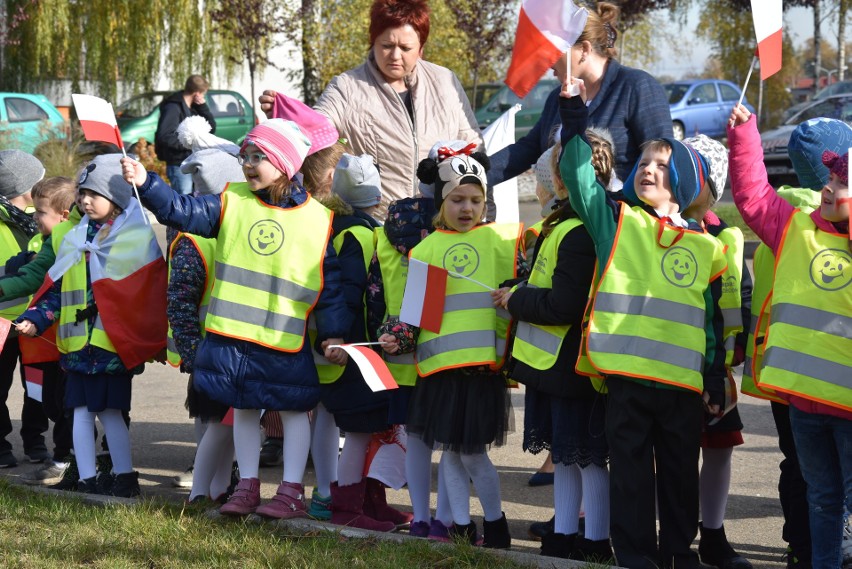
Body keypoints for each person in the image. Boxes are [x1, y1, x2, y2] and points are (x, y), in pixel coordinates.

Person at [121, 117, 349, 518]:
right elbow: (179, 209)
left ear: (285, 162)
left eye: (259, 155)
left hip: (284, 338)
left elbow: (329, 288)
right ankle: (247, 486)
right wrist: (147, 182)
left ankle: (292, 490)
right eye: (245, 154)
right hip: (233, 336)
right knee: (243, 409)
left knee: (294, 411)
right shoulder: (230, 201)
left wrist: (333, 335)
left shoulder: (318, 220)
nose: (248, 162)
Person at [559, 75, 727, 568]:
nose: (649, 170)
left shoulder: (707, 247)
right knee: (630, 475)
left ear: (688, 185)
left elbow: (710, 322)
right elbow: (578, 177)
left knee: (680, 475)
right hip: (627, 377)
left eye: (662, 165)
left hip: (680, 384)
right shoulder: (616, 220)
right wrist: (575, 118)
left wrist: (713, 374)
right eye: (645, 163)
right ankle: (635, 557)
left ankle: (679, 553)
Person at [727, 104, 851, 569]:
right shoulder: (795, 228)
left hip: (848, 410)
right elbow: (753, 195)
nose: (827, 187)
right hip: (803, 406)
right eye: (828, 179)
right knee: (821, 500)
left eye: (839, 182)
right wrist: (744, 136)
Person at [379, 149, 520, 549]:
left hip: (481, 371)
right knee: (453, 456)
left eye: (476, 200)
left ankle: (495, 527)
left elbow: (525, 284)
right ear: (441, 202)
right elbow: (416, 316)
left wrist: (516, 292)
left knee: (471, 455)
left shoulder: (500, 242)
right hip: (442, 372)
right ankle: (461, 528)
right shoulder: (427, 251)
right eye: (458, 199)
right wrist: (397, 337)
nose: (467, 207)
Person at [16, 154, 168, 498]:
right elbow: (55, 290)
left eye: (94, 194)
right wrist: (37, 318)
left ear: (117, 200)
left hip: (111, 347)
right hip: (76, 347)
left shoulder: (134, 240)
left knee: (112, 413)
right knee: (80, 412)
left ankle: (124, 475)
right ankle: (87, 478)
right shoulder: (74, 240)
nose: (85, 200)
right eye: (82, 192)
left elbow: (147, 293)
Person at [259, 0, 481, 220]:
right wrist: (286, 118)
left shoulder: (445, 82)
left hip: (442, 225)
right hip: (377, 227)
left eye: (405, 48)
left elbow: (474, 151)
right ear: (373, 42)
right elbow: (314, 128)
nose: (395, 55)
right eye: (386, 46)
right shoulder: (346, 87)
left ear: (421, 48)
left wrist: (485, 213)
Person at [502, 132, 615, 562]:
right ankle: (564, 534)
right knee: (566, 457)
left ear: (562, 178)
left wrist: (517, 300)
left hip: (573, 367)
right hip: (551, 366)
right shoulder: (561, 225)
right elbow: (546, 283)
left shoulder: (580, 231)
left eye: (550, 171)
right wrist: (517, 289)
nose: (543, 180)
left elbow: (565, 304)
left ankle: (595, 540)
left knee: (588, 457)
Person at [302, 148, 408, 531]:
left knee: (365, 426)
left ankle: (369, 500)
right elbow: (348, 292)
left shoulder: (339, 227)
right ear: (379, 198)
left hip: (351, 347)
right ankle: (348, 506)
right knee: (362, 431)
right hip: (354, 350)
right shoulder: (360, 236)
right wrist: (340, 340)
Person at [488, 2, 671, 192]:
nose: (548, 63)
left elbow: (664, 160)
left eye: (554, 50)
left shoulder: (636, 86)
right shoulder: (558, 98)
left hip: (622, 218)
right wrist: (476, 173)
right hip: (563, 218)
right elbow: (528, 149)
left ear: (584, 49)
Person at [678, 134, 754, 569]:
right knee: (673, 452)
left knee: (720, 448)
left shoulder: (727, 236)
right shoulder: (657, 227)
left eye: (696, 175)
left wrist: (733, 351)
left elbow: (740, 295)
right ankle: (677, 533)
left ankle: (713, 533)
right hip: (670, 364)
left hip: (715, 368)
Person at [166, 138, 246, 504]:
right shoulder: (194, 240)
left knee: (230, 420)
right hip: (208, 348)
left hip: (239, 346)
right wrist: (192, 351)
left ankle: (222, 483)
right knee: (212, 419)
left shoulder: (242, 230)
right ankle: (206, 486)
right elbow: (181, 301)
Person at [0, 176, 76, 484]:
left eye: (41, 213)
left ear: (63, 215)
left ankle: (67, 456)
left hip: (65, 338)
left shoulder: (72, 238)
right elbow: (28, 273)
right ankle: (62, 457)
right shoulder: (45, 240)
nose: (36, 217)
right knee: (49, 398)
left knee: (64, 403)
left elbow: (34, 280)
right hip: (36, 333)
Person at [0, 149, 50, 468]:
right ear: (26, 188)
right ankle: (1, 444)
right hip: (3, 321)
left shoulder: (41, 215)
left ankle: (35, 439)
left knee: (37, 386)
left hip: (36, 321)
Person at [154, 74, 217, 195]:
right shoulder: (173, 107)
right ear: (197, 93)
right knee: (183, 201)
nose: (203, 97)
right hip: (179, 164)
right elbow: (165, 136)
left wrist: (203, 106)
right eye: (203, 94)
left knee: (193, 200)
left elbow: (211, 127)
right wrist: (189, 144)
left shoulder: (194, 107)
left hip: (192, 162)